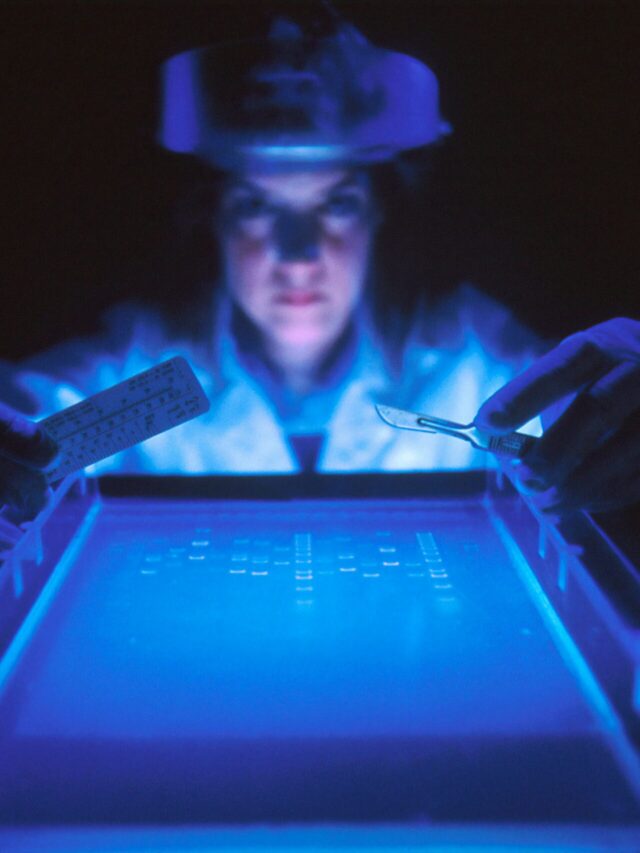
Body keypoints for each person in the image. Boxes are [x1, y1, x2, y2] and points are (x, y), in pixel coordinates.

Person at [0, 16, 639, 525]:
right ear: (212, 218)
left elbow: (581, 423)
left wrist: (620, 414)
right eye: (257, 206)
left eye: (336, 203)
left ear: (379, 216)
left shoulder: (472, 363)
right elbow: (27, 422)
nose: (299, 251)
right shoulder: (130, 371)